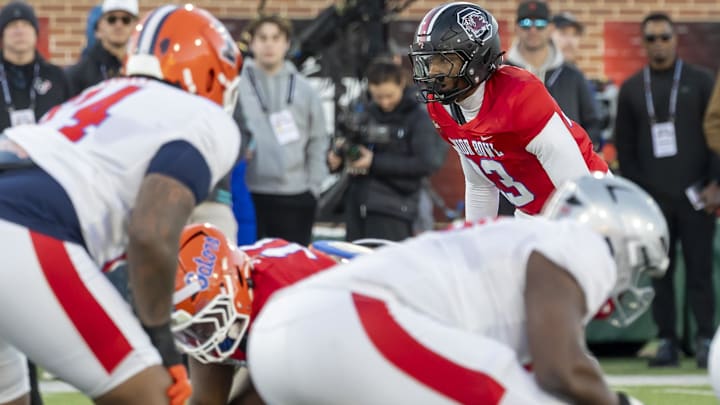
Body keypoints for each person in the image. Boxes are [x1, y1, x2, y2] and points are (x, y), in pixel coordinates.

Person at [246, 173, 666, 405]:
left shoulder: (508, 244)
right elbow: (561, 369)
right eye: (639, 265)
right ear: (616, 238)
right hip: (357, 324)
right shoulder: (575, 242)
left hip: (276, 339)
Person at [0, 5, 242, 405]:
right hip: (24, 227)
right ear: (214, 69)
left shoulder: (100, 91)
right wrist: (161, 341)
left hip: (19, 207)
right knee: (151, 394)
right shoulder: (204, 117)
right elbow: (151, 232)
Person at [408, 3, 607, 220]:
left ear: (477, 58)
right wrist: (477, 242)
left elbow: (577, 186)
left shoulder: (518, 95)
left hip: (589, 200)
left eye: (445, 61)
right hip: (530, 212)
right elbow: (480, 185)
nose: (434, 71)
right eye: (429, 60)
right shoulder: (441, 108)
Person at [614, 12, 717, 368]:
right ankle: (667, 341)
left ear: (675, 40)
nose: (659, 44)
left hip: (697, 195)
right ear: (644, 43)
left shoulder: (702, 81)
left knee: (701, 272)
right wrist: (639, 198)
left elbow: (716, 138)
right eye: (652, 38)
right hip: (653, 202)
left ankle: (706, 340)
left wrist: (715, 183)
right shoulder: (631, 89)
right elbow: (624, 150)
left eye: (664, 37)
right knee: (661, 273)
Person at [170, 223, 371, 405]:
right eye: (189, 329)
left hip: (337, 330)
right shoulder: (219, 295)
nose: (198, 336)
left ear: (236, 288)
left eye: (205, 321)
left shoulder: (286, 303)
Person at [238, 15, 329, 246]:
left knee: (292, 275)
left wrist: (313, 187)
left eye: (276, 38)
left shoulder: (305, 89)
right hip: (248, 193)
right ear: (252, 43)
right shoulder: (235, 86)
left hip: (296, 195)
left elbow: (318, 139)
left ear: (286, 43)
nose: (269, 44)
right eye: (263, 38)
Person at [327, 61, 442, 241]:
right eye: (378, 96)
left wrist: (374, 161)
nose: (384, 102)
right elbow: (348, 146)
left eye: (389, 95)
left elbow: (427, 163)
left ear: (401, 85)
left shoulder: (418, 115)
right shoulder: (364, 114)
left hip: (397, 207)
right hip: (358, 203)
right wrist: (337, 158)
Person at [505, 1, 600, 144]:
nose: (533, 30)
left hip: (564, 162)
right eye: (526, 23)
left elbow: (593, 123)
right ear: (516, 28)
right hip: (515, 162)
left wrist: (577, 151)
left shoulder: (572, 75)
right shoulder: (502, 74)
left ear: (550, 28)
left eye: (540, 23)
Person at [0, 1, 70, 131]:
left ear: (35, 33)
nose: (19, 31)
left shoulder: (56, 76)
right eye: (12, 25)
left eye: (26, 25)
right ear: (2, 35)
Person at [65, 0, 139, 96]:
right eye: (111, 19)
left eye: (126, 20)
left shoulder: (141, 69)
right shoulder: (77, 75)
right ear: (100, 26)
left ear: (135, 25)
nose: (119, 25)